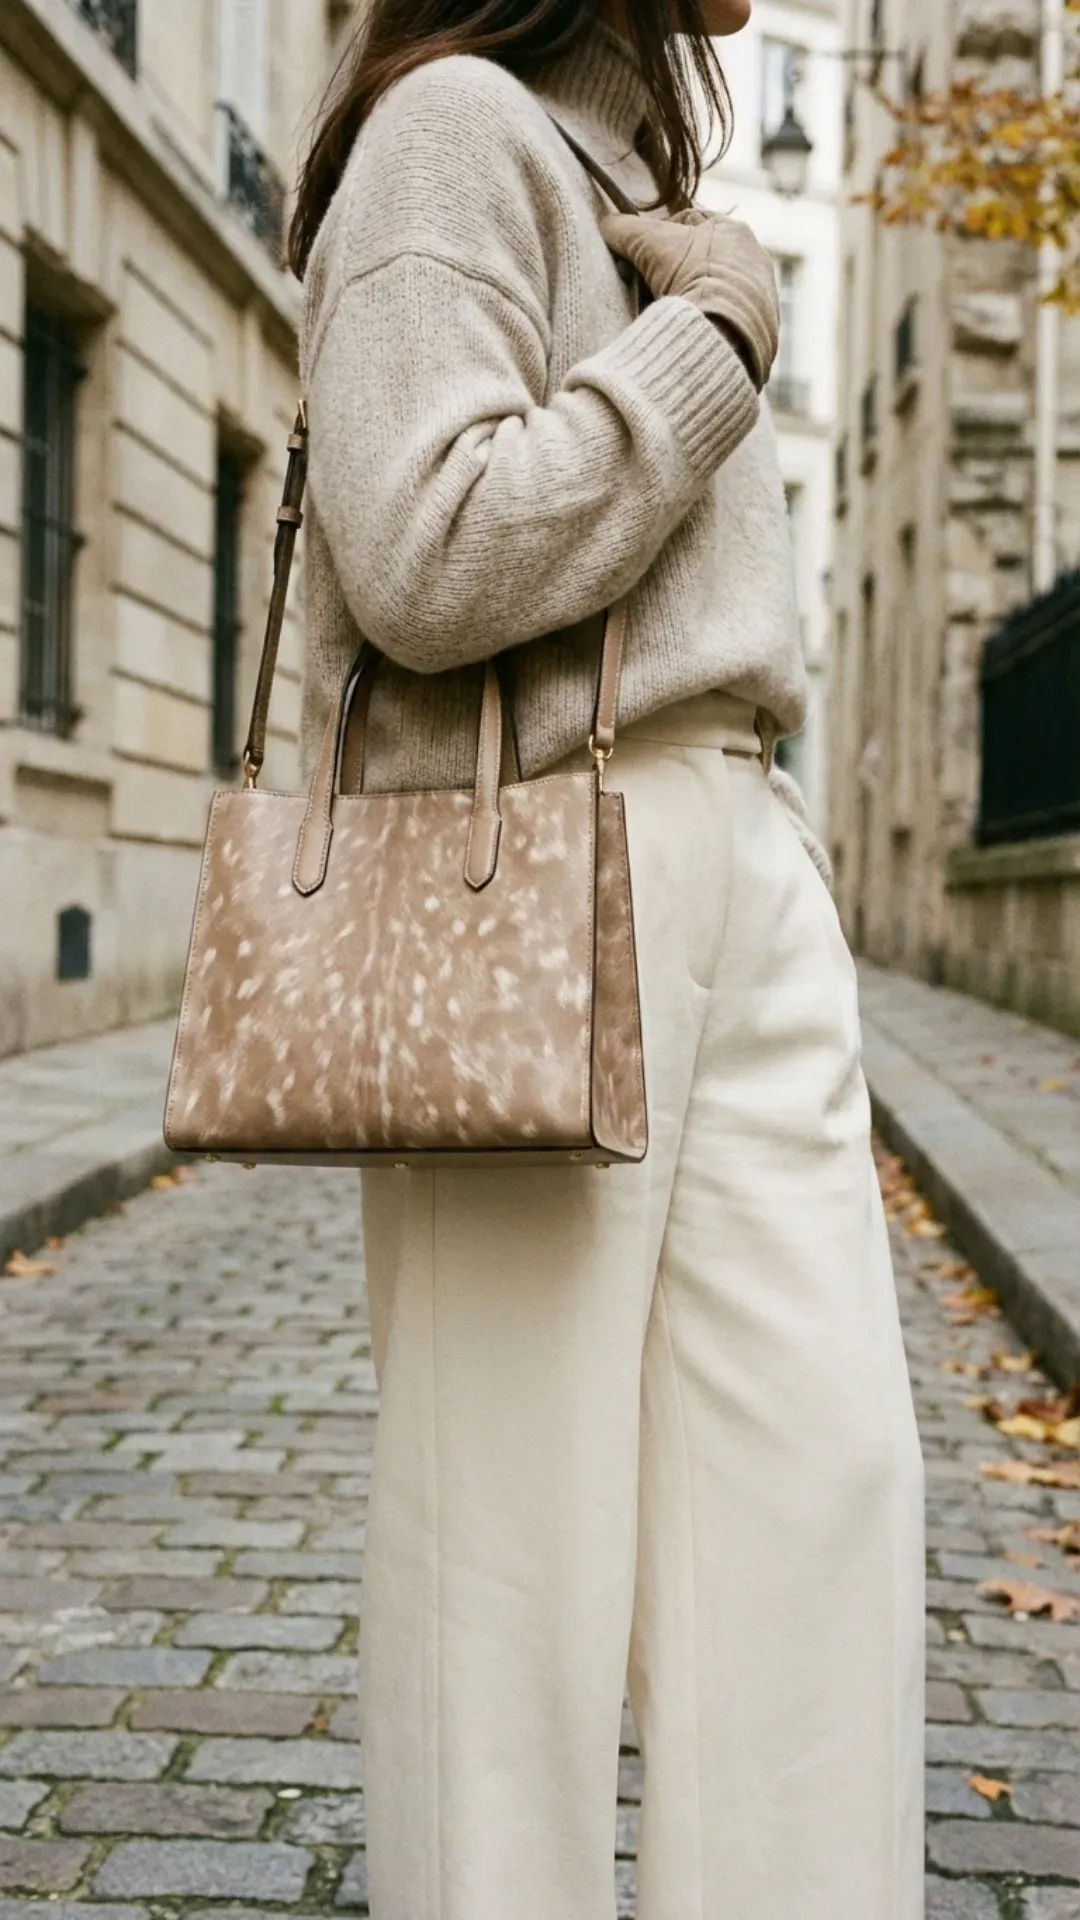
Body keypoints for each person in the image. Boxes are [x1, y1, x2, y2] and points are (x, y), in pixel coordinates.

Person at [290, 3, 926, 1915]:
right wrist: (710, 343)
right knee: (511, 1563)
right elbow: (416, 548)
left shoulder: (647, 183)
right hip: (535, 874)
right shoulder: (450, 131)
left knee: (821, 1508)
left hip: (743, 848)